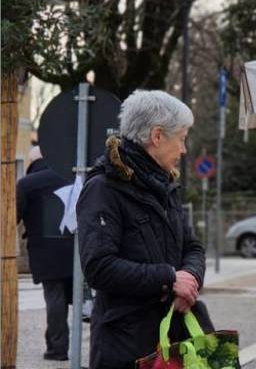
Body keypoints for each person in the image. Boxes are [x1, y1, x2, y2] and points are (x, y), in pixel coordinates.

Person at [77, 90, 212, 369]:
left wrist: (189, 280)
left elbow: (193, 247)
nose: (184, 151)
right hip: (128, 345)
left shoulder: (166, 185)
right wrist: (168, 279)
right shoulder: (103, 188)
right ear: (158, 136)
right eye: (182, 139)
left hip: (180, 338)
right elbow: (98, 267)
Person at [16, 146, 74, 361]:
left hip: (46, 252)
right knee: (85, 298)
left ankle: (57, 348)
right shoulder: (72, 177)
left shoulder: (27, 184)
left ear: (32, 163)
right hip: (77, 247)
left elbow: (13, 217)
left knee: (55, 298)